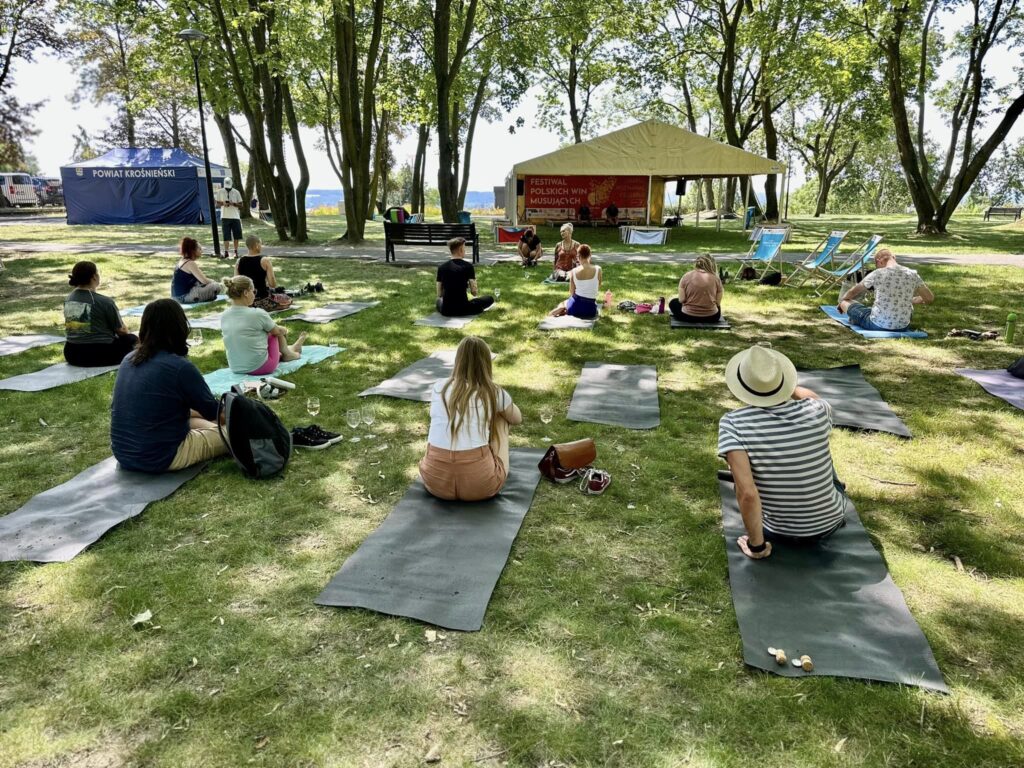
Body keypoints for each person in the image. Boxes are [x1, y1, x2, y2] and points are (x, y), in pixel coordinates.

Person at [718, 345, 848, 560]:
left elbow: (747, 493)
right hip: (831, 522)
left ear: (742, 385)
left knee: (741, 474)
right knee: (821, 455)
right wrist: (784, 386)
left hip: (778, 532)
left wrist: (757, 547)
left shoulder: (733, 424)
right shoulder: (817, 410)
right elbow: (815, 398)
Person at [110, 299, 228, 473]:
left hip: (124, 453)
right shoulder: (180, 368)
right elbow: (216, 413)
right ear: (180, 327)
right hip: (162, 457)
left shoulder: (129, 359)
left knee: (193, 418)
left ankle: (213, 431)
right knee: (240, 432)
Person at [419, 336, 523, 501]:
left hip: (436, 484)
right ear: (486, 363)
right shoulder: (494, 392)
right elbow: (516, 418)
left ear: (458, 361)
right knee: (501, 419)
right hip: (480, 486)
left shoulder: (439, 387)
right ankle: (495, 463)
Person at [221, 275, 306, 375]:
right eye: (253, 292)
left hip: (236, 368)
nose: (254, 295)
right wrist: (284, 330)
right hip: (262, 367)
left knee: (260, 332)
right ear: (246, 293)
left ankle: (291, 349)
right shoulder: (257, 314)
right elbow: (277, 331)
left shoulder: (224, 315)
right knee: (273, 332)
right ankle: (289, 354)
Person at [62, 260, 138, 366]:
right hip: (100, 354)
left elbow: (78, 329)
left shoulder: (69, 299)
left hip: (72, 353)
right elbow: (122, 331)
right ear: (94, 277)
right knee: (131, 339)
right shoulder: (104, 301)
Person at [838, 248, 934, 332]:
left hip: (876, 324)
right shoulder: (912, 274)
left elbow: (853, 292)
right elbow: (929, 298)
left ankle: (852, 315)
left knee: (845, 302)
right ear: (894, 257)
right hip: (903, 326)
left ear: (879, 261)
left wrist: (842, 302)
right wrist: (911, 300)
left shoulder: (878, 273)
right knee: (869, 310)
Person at [436, 237, 495, 317]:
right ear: (461, 250)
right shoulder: (468, 266)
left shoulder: (441, 267)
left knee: (438, 301)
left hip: (446, 310)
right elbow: (474, 292)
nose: (465, 251)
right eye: (464, 248)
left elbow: (439, 294)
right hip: (463, 309)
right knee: (489, 298)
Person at [549, 244, 601, 319]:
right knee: (587, 304)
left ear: (578, 256)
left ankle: (562, 308)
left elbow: (571, 292)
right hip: (591, 309)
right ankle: (566, 309)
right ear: (590, 255)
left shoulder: (573, 271)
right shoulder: (598, 269)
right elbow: (598, 286)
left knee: (564, 302)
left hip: (575, 307)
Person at [670, 255, 724, 323]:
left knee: (673, 302)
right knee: (717, 307)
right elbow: (718, 303)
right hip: (712, 317)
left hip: (687, 316)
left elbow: (681, 300)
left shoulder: (686, 276)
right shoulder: (716, 278)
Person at [236, 235, 282, 311]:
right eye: (261, 244)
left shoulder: (239, 261)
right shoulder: (265, 260)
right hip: (262, 299)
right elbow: (272, 284)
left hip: (244, 301)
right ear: (257, 245)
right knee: (285, 300)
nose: (261, 246)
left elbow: (236, 283)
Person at [172, 237, 224, 305]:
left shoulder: (183, 260)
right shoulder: (190, 263)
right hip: (183, 297)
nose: (202, 251)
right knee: (216, 286)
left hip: (177, 296)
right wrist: (213, 282)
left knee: (209, 284)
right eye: (199, 249)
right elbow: (204, 281)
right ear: (192, 251)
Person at [215, 178, 244, 258]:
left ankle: (236, 252)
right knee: (226, 236)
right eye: (226, 187)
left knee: (236, 235)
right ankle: (226, 252)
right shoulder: (220, 191)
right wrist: (223, 203)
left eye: (229, 187)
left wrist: (233, 204)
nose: (227, 188)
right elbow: (216, 204)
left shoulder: (236, 192)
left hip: (235, 217)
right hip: (225, 217)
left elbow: (241, 205)